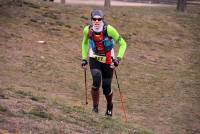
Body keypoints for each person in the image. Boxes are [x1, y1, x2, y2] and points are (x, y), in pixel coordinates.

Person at [81, 9, 127, 117]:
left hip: (108, 60)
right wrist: (84, 58)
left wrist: (118, 59)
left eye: (99, 19)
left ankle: (110, 106)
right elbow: (84, 43)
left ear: (102, 19)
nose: (96, 21)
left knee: (106, 87)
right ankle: (95, 108)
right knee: (96, 79)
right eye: (94, 19)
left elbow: (123, 44)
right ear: (91, 19)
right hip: (94, 58)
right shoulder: (87, 30)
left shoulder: (110, 30)